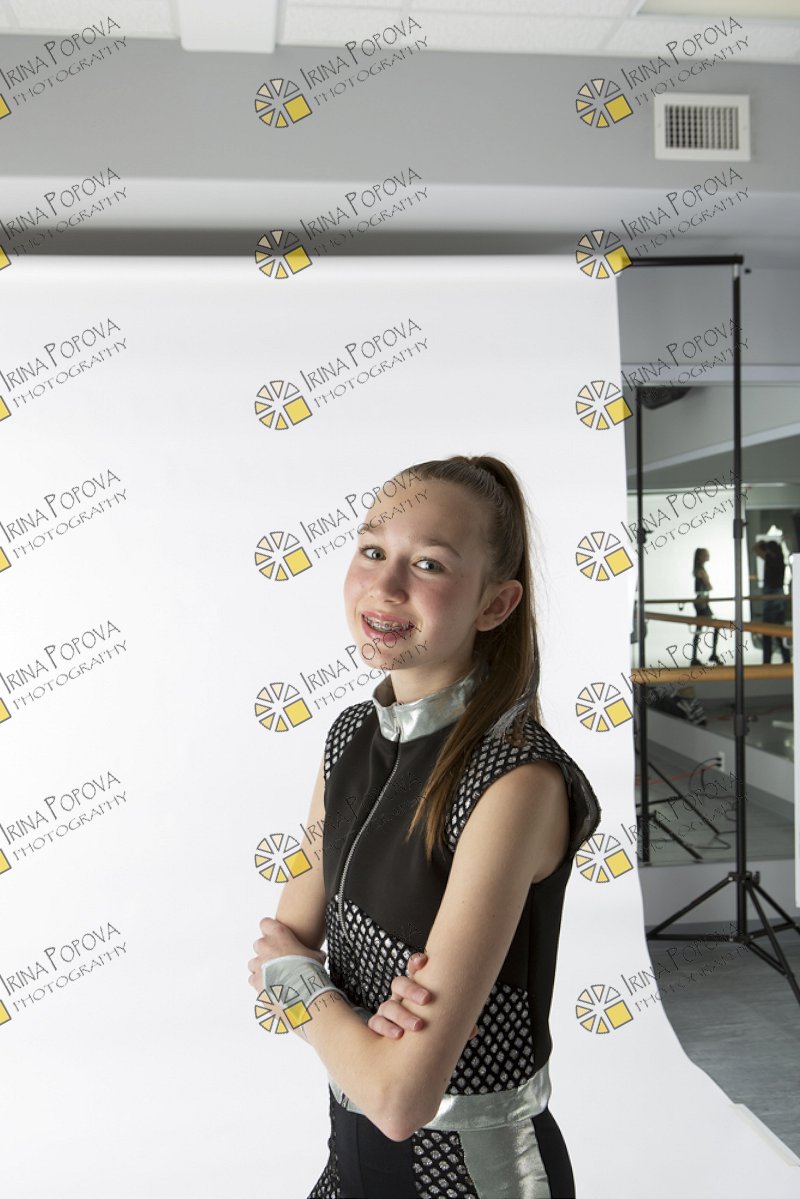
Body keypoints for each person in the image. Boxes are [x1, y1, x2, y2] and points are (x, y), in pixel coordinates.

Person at [248, 454, 602, 1198]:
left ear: (495, 604)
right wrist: (345, 1016)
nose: (386, 586)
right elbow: (277, 950)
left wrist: (311, 989)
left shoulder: (516, 781)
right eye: (373, 550)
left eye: (430, 563)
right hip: (348, 1169)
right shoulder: (349, 738)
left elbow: (400, 1096)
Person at [760, 540, 791, 665]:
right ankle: (786, 660)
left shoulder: (770, 559)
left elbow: (755, 548)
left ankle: (767, 662)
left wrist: (763, 546)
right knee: (779, 630)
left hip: (771, 595)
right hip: (778, 594)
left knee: (768, 632)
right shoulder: (780, 560)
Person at [690, 547, 721, 666]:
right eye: (705, 554)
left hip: (702, 602)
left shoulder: (700, 569)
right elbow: (709, 586)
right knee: (714, 626)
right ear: (700, 557)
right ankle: (710, 655)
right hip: (701, 602)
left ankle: (696, 657)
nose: (708, 556)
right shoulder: (700, 570)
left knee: (700, 629)